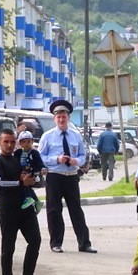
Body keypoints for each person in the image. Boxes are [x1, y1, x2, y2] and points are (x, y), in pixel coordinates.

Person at [38, 99, 97, 253]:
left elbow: (83, 155)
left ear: (68, 118)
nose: (61, 120)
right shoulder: (47, 136)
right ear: (54, 119)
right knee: (54, 211)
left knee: (76, 210)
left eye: (64, 117)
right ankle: (56, 243)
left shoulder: (75, 135)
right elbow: (40, 158)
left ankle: (84, 243)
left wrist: (76, 161)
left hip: (71, 175)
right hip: (55, 176)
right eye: (58, 117)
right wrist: (56, 159)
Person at [0, 128, 42, 275]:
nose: (9, 145)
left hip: (25, 207)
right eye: (6, 141)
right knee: (8, 246)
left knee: (35, 240)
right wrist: (21, 183)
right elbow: (0, 183)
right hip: (7, 208)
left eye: (12, 142)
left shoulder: (18, 158)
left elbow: (27, 175)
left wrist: (34, 179)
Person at [16, 131, 45, 213]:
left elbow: (40, 162)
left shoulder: (34, 153)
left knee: (25, 183)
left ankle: (28, 198)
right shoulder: (18, 153)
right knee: (28, 187)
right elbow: (15, 162)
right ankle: (37, 201)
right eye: (24, 142)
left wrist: (42, 168)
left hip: (32, 172)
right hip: (22, 172)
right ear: (20, 143)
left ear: (32, 142)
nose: (26, 144)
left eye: (29, 141)